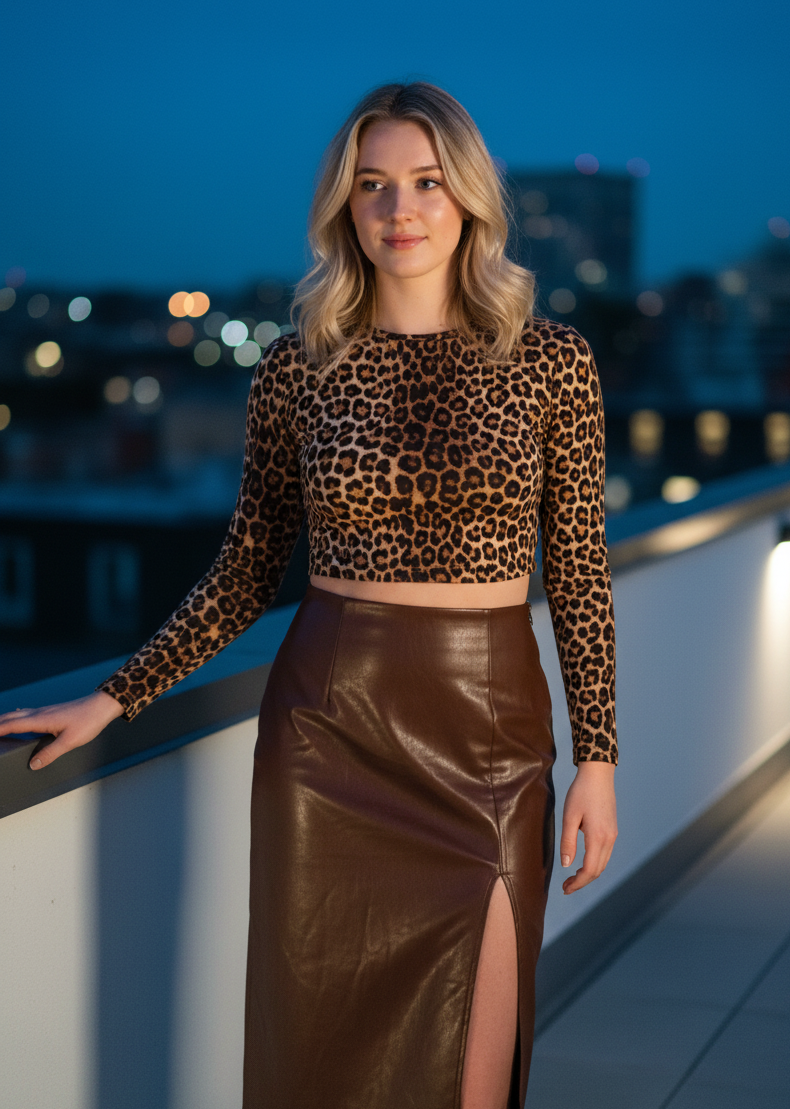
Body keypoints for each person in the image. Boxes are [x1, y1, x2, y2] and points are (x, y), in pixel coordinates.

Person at [0, 82, 618, 1109]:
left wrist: (597, 755)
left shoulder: (551, 361)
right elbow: (248, 564)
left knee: (473, 1070)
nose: (400, 209)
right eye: (372, 186)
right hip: (330, 737)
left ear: (467, 197)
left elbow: (583, 570)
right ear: (345, 209)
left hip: (493, 739)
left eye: (425, 182)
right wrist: (117, 693)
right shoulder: (296, 367)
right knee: (319, 1067)